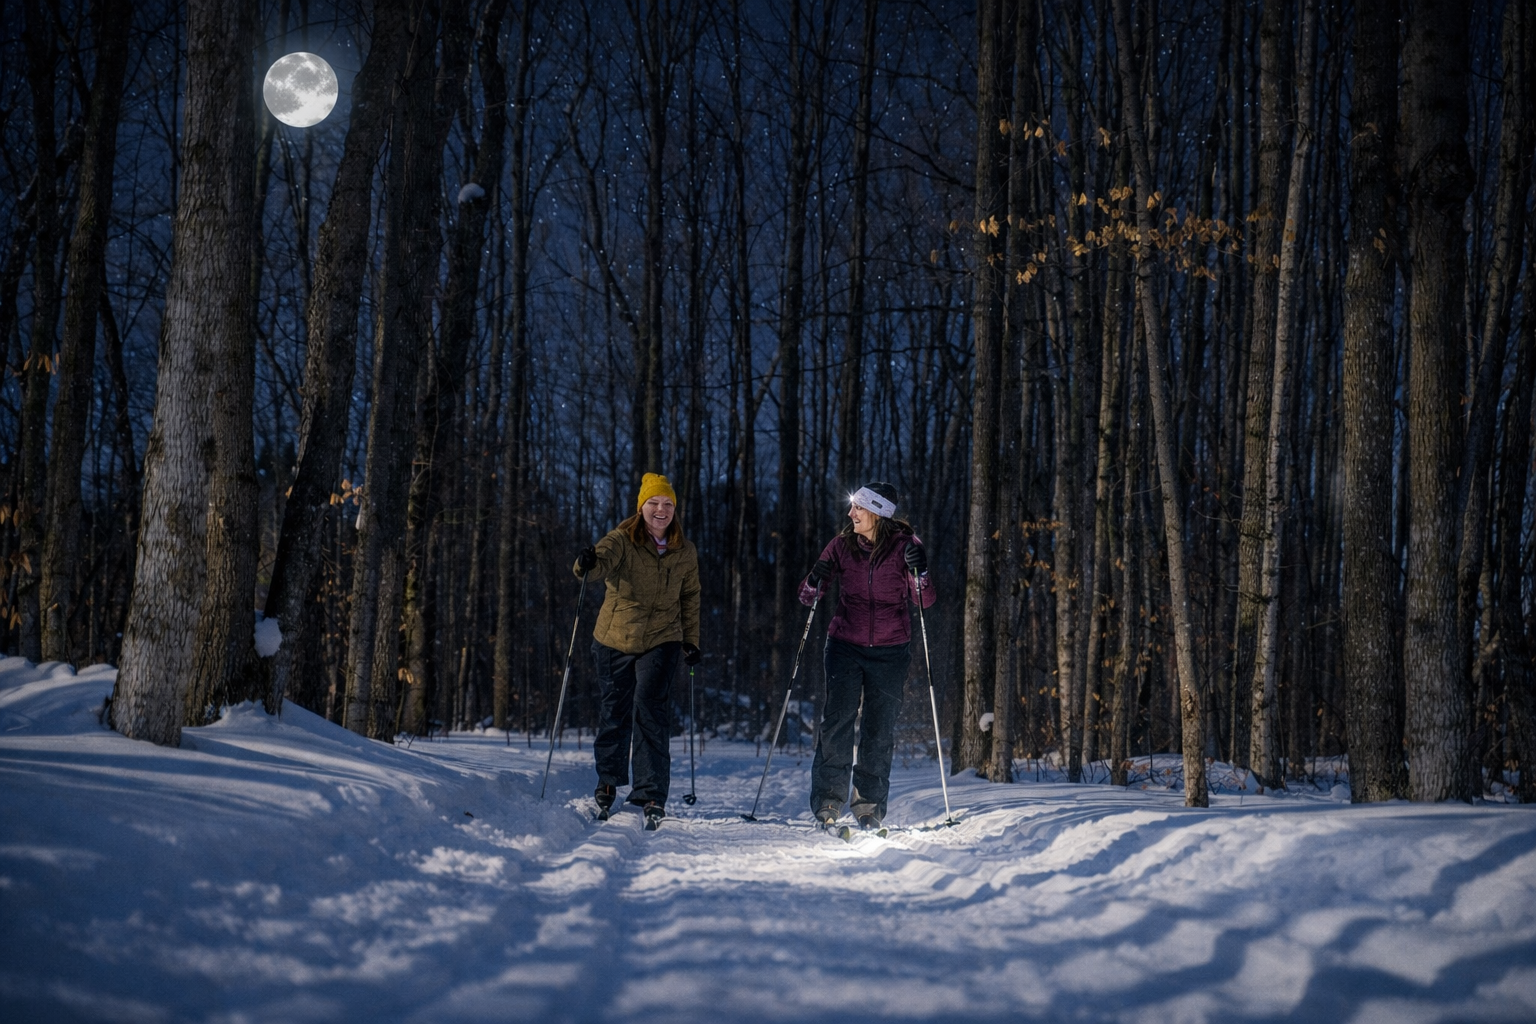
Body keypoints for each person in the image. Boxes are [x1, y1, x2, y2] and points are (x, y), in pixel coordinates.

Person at [800, 481, 935, 831]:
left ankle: (869, 805)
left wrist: (920, 573)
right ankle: (828, 802)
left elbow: (924, 600)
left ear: (877, 512)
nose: (851, 513)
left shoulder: (907, 546)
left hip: (891, 651)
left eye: (858, 507)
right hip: (845, 645)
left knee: (879, 728)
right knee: (837, 722)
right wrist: (815, 579)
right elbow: (807, 597)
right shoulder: (841, 545)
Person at [575, 473, 701, 830]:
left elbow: (690, 596)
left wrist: (691, 639)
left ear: (674, 509)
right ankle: (608, 781)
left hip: (662, 637)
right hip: (615, 637)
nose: (661, 510)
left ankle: (650, 792)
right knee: (614, 709)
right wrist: (586, 563)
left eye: (668, 504)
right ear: (641, 507)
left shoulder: (684, 550)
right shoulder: (622, 539)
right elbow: (598, 564)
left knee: (650, 707)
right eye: (654, 503)